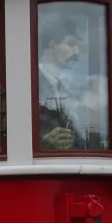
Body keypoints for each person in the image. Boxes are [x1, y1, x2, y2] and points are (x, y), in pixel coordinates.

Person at [37, 15, 87, 151]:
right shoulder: (30, 85)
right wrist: (43, 144)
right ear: (52, 45)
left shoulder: (63, 88)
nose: (76, 51)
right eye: (71, 44)